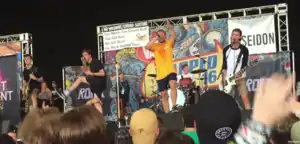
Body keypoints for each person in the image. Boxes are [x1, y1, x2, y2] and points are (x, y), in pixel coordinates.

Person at [145, 22, 177, 113]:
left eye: (162, 35)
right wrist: (155, 38)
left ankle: (174, 106)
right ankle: (167, 112)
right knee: (163, 94)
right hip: (160, 74)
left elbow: (173, 36)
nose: (161, 36)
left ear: (165, 35)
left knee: (173, 83)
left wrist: (171, 28)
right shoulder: (155, 46)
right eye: (159, 35)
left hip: (170, 70)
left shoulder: (169, 43)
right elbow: (147, 46)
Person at [64, 49, 106, 113]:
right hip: (93, 81)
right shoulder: (87, 63)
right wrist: (84, 64)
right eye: (83, 55)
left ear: (90, 55)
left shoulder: (96, 62)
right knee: (96, 103)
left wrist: (92, 73)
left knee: (96, 102)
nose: (84, 57)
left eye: (86, 55)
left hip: (99, 82)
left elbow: (103, 73)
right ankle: (68, 91)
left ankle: (101, 121)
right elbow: (87, 73)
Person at [222, 28, 251, 110]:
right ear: (231, 36)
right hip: (228, 79)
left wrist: (240, 73)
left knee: (245, 98)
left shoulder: (244, 50)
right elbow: (224, 66)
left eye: (237, 35)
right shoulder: (226, 49)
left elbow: (244, 64)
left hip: (240, 78)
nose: (234, 36)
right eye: (233, 34)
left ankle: (248, 117)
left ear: (240, 37)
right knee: (227, 100)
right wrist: (224, 79)